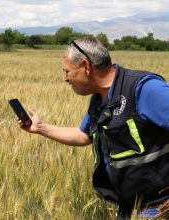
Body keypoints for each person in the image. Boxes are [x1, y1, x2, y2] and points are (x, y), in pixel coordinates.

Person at [18, 37, 169, 219]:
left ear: (86, 67)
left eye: (67, 71)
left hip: (157, 207)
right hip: (128, 208)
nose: (64, 78)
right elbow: (83, 135)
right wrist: (40, 128)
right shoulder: (99, 98)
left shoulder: (144, 89)